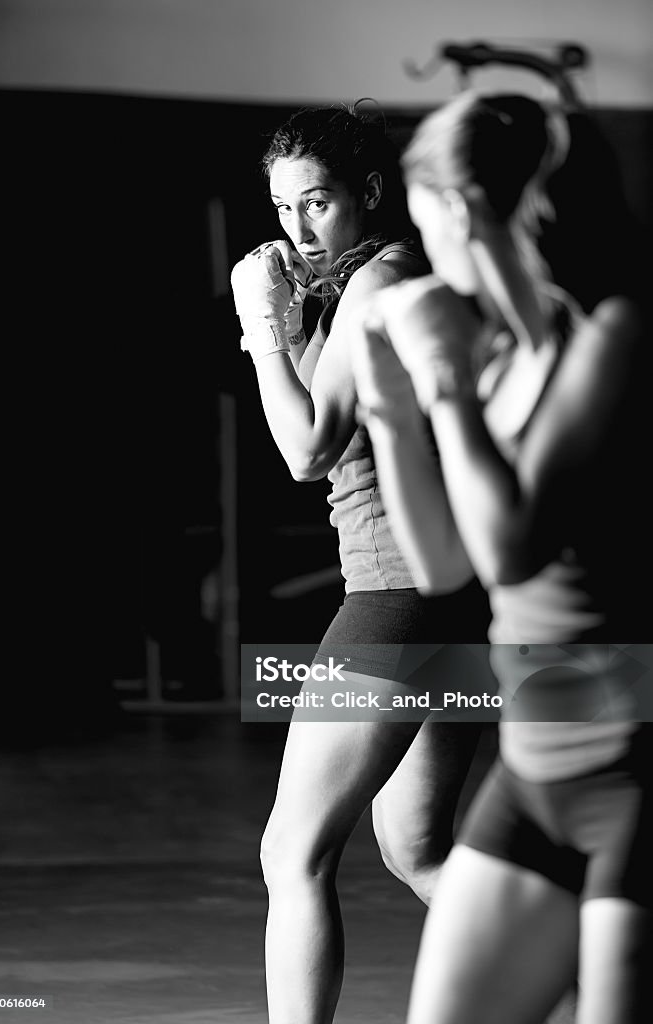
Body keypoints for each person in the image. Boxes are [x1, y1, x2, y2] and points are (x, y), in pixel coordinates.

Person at [350, 90, 652, 1024]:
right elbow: (444, 566)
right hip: (534, 770)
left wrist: (439, 384)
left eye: (422, 214)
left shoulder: (613, 334)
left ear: (462, 210)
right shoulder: (504, 355)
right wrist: (390, 401)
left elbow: (512, 549)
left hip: (636, 771)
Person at [230, 104, 492, 1024]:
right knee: (415, 846)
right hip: (450, 600)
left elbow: (305, 451)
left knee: (289, 852)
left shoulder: (378, 280)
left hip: (395, 593)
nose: (296, 228)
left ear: (368, 194)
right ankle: (599, 982)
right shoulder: (359, 280)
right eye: (281, 208)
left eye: (317, 203)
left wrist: (261, 328)